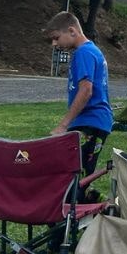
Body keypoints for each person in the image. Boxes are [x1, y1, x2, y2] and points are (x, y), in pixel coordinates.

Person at [44, 12, 112, 180]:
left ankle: (81, 204)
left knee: (75, 178)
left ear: (72, 31)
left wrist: (63, 125)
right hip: (94, 122)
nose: (54, 44)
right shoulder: (92, 50)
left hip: (90, 122)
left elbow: (86, 91)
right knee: (81, 175)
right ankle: (93, 200)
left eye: (56, 38)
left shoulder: (84, 53)